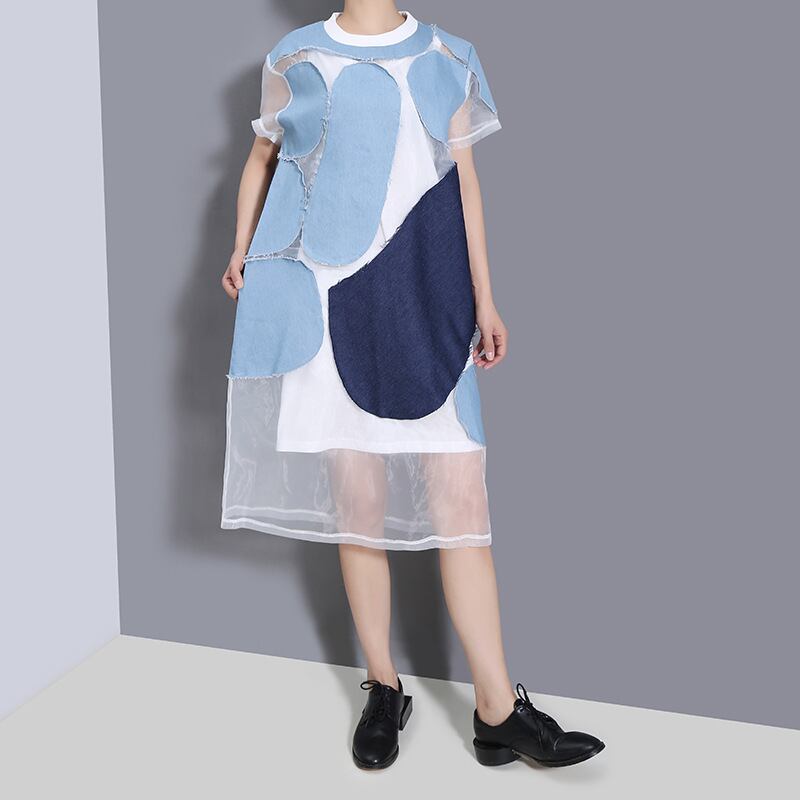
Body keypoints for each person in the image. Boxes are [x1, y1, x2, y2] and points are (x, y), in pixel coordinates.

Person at [221, 1, 604, 771]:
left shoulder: (449, 55)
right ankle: (384, 686)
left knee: (462, 501)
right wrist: (240, 251)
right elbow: (263, 156)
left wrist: (486, 299)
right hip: (325, 293)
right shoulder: (296, 55)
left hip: (427, 292)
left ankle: (497, 710)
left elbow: (464, 183)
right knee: (357, 502)